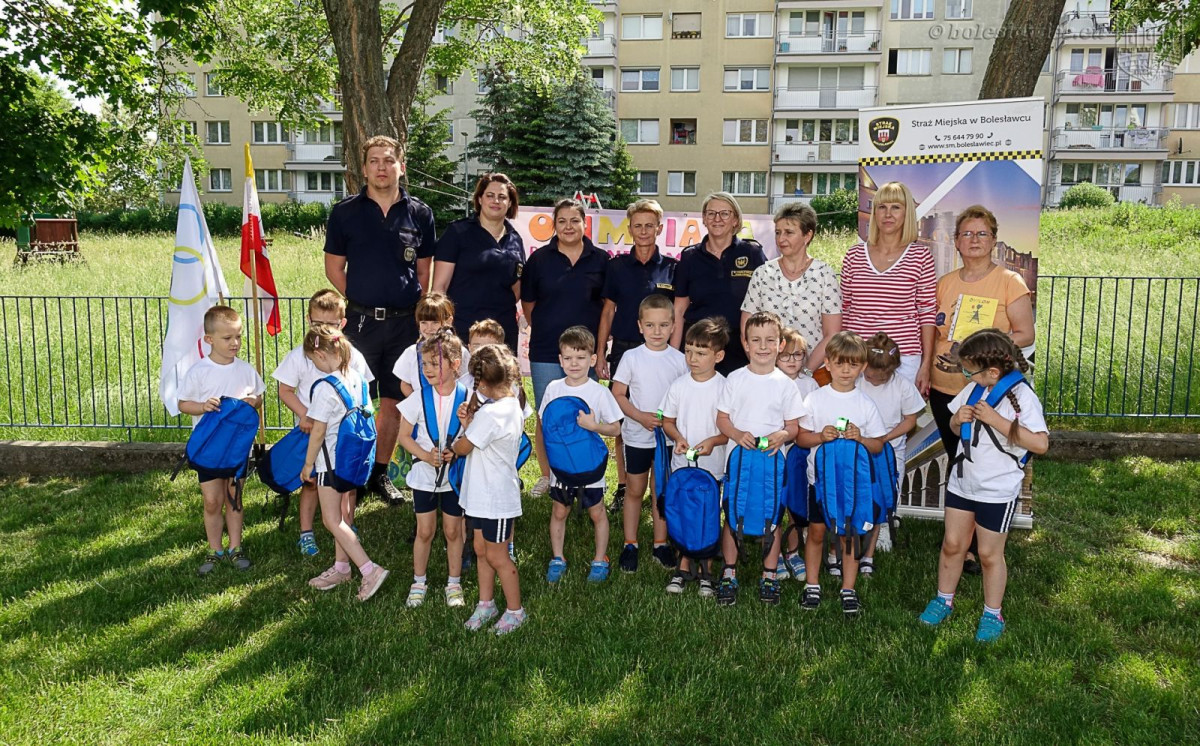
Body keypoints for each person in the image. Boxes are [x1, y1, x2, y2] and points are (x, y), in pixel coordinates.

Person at [325, 134, 436, 505]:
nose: (382, 167)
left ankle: (379, 474)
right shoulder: (345, 212)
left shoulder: (420, 213)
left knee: (392, 401)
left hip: (405, 324)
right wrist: (360, 296)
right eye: (374, 161)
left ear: (400, 166)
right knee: (354, 399)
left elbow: (423, 273)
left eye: (389, 160)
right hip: (359, 323)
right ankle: (349, 473)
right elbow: (334, 268)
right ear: (364, 167)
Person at [918, 329, 1048, 642]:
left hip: (996, 490)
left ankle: (993, 613)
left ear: (992, 371)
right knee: (952, 545)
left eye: (967, 370)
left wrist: (996, 420)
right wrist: (956, 420)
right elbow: (953, 425)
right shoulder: (975, 388)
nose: (964, 374)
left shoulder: (1023, 398)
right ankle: (943, 599)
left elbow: (1040, 444)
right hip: (963, 483)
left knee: (989, 555)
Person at [930, 205, 1035, 574]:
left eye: (981, 234)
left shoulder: (1009, 281)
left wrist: (985, 347)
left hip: (990, 394)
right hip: (945, 388)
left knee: (985, 460)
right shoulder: (945, 283)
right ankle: (963, 541)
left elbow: (1025, 333)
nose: (973, 240)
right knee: (959, 459)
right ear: (956, 241)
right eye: (966, 234)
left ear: (994, 240)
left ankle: (981, 541)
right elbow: (937, 332)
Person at [272, 289, 374, 557]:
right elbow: (284, 390)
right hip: (311, 431)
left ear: (342, 323)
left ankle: (345, 527)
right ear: (308, 320)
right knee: (311, 483)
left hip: (346, 437)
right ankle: (306, 532)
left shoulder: (353, 356)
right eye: (318, 324)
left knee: (347, 484)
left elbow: (364, 392)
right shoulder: (300, 355)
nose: (324, 329)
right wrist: (306, 415)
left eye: (330, 324)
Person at [714, 311, 805, 606]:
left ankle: (769, 574)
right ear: (746, 344)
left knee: (773, 515)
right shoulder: (736, 379)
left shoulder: (785, 384)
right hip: (740, 460)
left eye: (770, 340)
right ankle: (729, 571)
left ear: (780, 344)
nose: (763, 346)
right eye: (756, 340)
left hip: (771, 462)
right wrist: (737, 433)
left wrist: (782, 435)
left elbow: (794, 427)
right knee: (732, 512)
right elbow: (722, 419)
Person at [520, 198, 609, 497]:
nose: (568, 226)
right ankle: (548, 476)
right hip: (546, 350)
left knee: (584, 413)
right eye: (562, 221)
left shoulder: (600, 259)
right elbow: (529, 305)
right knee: (548, 415)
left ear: (585, 223)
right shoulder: (540, 260)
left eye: (574, 220)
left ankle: (585, 472)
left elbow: (607, 305)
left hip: (586, 354)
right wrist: (548, 327)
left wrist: (595, 351)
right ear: (554, 225)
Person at [796, 331, 887, 617]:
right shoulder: (815, 399)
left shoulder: (866, 404)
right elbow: (800, 439)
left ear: (862, 368)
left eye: (853, 364)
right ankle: (812, 585)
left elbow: (878, 445)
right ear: (828, 364)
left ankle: (848, 589)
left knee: (849, 534)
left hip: (853, 485)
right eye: (840, 363)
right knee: (817, 532)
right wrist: (820, 437)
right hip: (819, 482)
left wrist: (860, 438)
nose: (846, 370)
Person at [596, 199, 677, 514]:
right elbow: (607, 312)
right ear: (629, 228)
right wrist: (602, 353)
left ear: (659, 228)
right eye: (637, 225)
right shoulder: (616, 266)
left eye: (649, 225)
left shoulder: (673, 267)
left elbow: (679, 314)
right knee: (624, 417)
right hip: (626, 349)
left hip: (662, 352)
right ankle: (624, 486)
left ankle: (660, 488)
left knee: (661, 414)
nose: (643, 231)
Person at [299, 325, 390, 602]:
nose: (315, 366)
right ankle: (341, 567)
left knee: (332, 520)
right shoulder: (357, 378)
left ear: (321, 354)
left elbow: (317, 432)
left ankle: (369, 569)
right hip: (355, 460)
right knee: (343, 513)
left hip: (332, 462)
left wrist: (308, 464)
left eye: (313, 361)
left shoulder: (326, 388)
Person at [178, 304, 265, 575]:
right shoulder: (198, 371)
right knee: (212, 501)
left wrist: (252, 401)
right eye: (228, 338)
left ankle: (236, 547)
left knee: (234, 497)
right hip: (208, 449)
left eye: (238, 336)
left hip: (237, 449)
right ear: (209, 339)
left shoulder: (246, 370)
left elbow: (259, 396)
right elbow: (183, 404)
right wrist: (203, 406)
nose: (235, 343)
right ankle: (214, 549)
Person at [610, 294, 688, 573]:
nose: (657, 332)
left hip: (667, 438)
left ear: (673, 325)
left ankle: (660, 543)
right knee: (635, 489)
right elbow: (618, 393)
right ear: (640, 326)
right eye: (651, 325)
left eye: (664, 325)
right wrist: (639, 416)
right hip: (637, 436)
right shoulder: (631, 357)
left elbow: (684, 398)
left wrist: (673, 426)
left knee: (661, 490)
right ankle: (630, 543)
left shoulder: (680, 360)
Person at [455, 345, 529, 634]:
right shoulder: (509, 404)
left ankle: (515, 610)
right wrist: (471, 423)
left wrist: (463, 431)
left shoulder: (492, 414)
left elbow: (463, 447)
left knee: (498, 556)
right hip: (480, 496)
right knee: (480, 549)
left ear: (482, 383)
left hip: (494, 499)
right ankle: (486, 604)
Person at [540, 326, 624, 584]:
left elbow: (616, 427)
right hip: (561, 465)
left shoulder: (598, 392)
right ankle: (557, 557)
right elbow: (544, 423)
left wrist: (594, 426)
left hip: (589, 464)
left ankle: (600, 559)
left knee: (597, 511)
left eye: (580, 358)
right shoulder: (554, 388)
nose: (574, 363)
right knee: (559, 510)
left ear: (593, 360)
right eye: (568, 358)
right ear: (560, 360)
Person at [840, 181, 937, 391]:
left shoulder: (920, 256)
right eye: (881, 207)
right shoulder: (854, 255)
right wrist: (842, 355)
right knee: (852, 420)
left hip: (903, 359)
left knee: (899, 422)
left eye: (896, 207)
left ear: (907, 213)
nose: (888, 214)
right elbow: (844, 309)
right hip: (858, 357)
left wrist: (926, 365)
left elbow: (927, 313)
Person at [396, 330, 468, 609]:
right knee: (424, 531)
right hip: (424, 475)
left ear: (454, 364)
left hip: (454, 476)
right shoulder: (417, 398)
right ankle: (419, 581)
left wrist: (458, 446)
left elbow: (474, 436)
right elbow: (404, 437)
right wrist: (426, 455)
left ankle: (454, 582)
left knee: (453, 531)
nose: (427, 370)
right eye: (424, 364)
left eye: (434, 364)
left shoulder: (468, 398)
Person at [660, 317, 731, 597]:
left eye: (701, 353)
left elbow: (730, 431)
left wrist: (714, 441)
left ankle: (707, 572)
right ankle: (683, 566)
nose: (692, 358)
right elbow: (668, 421)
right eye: (689, 350)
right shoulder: (678, 385)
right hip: (683, 466)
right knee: (685, 514)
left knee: (708, 517)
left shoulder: (726, 387)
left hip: (713, 467)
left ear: (719, 356)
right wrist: (677, 438)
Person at [741, 202, 841, 374]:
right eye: (778, 233)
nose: (781, 239)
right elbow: (746, 329)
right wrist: (763, 369)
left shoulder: (824, 274)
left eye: (789, 233)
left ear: (807, 235)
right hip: (769, 374)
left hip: (815, 374)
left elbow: (832, 334)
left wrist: (806, 373)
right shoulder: (763, 273)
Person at [672, 192, 766, 375]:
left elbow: (765, 304)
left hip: (740, 346)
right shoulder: (690, 257)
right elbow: (679, 309)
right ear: (704, 219)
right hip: (699, 347)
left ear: (736, 220)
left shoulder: (752, 253)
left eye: (724, 213)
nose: (717, 219)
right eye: (711, 213)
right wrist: (674, 354)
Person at [855, 333, 925, 575]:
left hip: (891, 449)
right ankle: (858, 525)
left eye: (884, 376)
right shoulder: (856, 380)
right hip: (859, 447)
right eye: (873, 375)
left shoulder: (901, 385)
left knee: (888, 488)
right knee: (860, 487)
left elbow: (911, 419)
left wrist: (885, 438)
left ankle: (884, 524)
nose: (877, 379)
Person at [432, 173, 525, 352]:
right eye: (490, 195)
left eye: (502, 197)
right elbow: (439, 287)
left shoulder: (515, 239)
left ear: (510, 203)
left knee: (501, 380)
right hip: (462, 329)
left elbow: (517, 288)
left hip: (502, 331)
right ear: (480, 199)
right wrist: (443, 328)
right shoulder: (457, 232)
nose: (495, 201)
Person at [772, 326, 818, 581]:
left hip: (800, 452)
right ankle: (775, 554)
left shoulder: (809, 384)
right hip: (777, 450)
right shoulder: (770, 382)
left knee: (795, 502)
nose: (792, 361)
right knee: (776, 503)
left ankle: (793, 552)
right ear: (776, 356)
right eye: (786, 355)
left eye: (798, 355)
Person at [392, 292, 470, 397]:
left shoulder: (459, 351)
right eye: (424, 322)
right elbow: (405, 383)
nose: (429, 328)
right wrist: (417, 403)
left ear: (448, 321)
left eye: (435, 323)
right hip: (423, 409)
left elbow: (467, 381)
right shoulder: (411, 352)